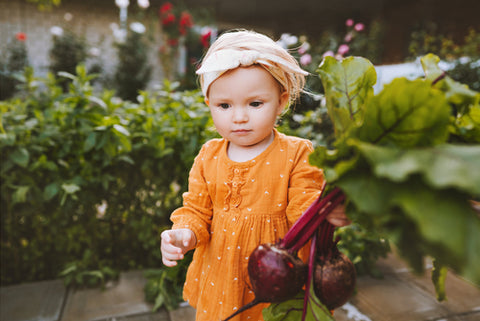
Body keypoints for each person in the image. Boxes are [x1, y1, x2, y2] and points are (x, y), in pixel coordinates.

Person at [160, 29, 350, 321]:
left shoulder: (297, 153)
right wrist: (184, 234)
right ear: (209, 104)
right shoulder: (208, 156)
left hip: (276, 278)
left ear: (282, 101)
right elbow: (196, 210)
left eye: (255, 103)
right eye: (225, 105)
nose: (239, 117)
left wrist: (326, 213)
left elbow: (304, 207)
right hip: (221, 278)